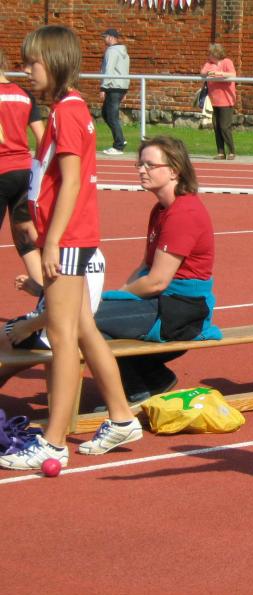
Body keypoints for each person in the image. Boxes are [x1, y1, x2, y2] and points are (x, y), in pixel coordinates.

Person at [0, 25, 141, 471]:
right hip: (69, 237)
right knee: (82, 329)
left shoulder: (67, 112)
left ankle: (54, 440)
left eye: (33, 63)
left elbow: (73, 182)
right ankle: (121, 416)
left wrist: (53, 242)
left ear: (56, 63)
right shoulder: (66, 109)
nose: (26, 71)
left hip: (69, 240)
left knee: (61, 338)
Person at [92, 136, 221, 404]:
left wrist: (113, 297)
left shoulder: (183, 213)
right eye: (140, 164)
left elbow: (156, 282)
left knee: (86, 322)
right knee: (93, 320)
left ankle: (136, 389)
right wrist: (117, 298)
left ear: (174, 170)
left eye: (150, 165)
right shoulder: (161, 209)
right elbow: (145, 266)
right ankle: (150, 379)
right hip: (163, 303)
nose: (142, 170)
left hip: (181, 311)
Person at [0, 250, 105, 386]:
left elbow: (63, 309)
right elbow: (70, 293)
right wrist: (38, 289)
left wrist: (27, 327)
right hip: (76, 327)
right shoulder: (96, 255)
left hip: (51, 330)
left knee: (4, 336)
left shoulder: (65, 254)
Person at [0, 47, 45, 284]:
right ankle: (44, 289)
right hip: (24, 170)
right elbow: (41, 137)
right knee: (24, 233)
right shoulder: (24, 95)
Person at [201, 43, 237, 160]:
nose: (209, 55)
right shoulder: (208, 64)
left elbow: (233, 75)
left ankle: (231, 151)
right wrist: (208, 73)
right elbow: (202, 73)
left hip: (226, 100)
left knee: (224, 127)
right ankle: (221, 152)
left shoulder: (227, 62)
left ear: (216, 54)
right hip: (213, 101)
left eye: (210, 53)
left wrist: (220, 74)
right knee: (216, 126)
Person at [99, 28, 130, 155]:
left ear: (111, 37)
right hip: (120, 87)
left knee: (111, 116)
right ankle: (120, 139)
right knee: (106, 114)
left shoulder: (111, 51)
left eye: (105, 37)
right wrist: (125, 89)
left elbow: (109, 70)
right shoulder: (124, 52)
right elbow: (125, 71)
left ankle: (119, 145)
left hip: (112, 87)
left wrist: (103, 88)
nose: (104, 40)